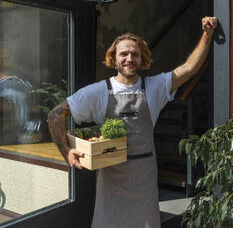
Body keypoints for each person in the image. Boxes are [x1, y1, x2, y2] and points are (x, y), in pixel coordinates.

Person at [47, 16, 217, 228]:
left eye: (135, 54)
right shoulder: (98, 91)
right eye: (124, 54)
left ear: (142, 58)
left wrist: (207, 35)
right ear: (114, 58)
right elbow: (55, 114)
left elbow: (189, 68)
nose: (129, 58)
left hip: (144, 180)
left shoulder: (155, 87)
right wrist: (66, 151)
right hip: (111, 181)